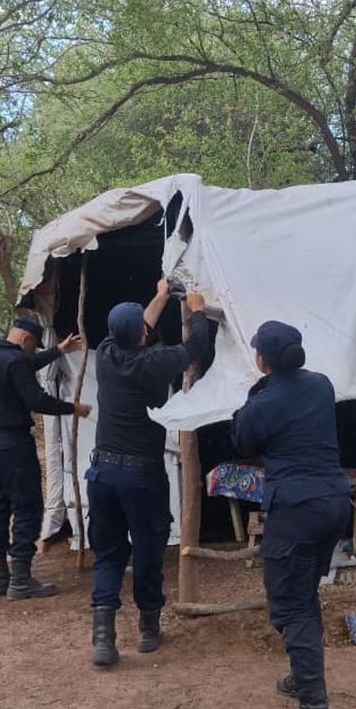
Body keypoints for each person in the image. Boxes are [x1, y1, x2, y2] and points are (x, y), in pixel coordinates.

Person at [87, 278, 220, 667]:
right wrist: (195, 310)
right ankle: (147, 629)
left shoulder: (106, 355)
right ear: (144, 335)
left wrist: (161, 295)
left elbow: (137, 326)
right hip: (142, 477)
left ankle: (103, 638)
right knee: (147, 549)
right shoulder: (154, 363)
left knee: (109, 554)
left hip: (103, 473)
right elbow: (196, 347)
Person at [231, 321, 351, 709]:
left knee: (290, 605)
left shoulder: (262, 404)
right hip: (334, 504)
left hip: (296, 509)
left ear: (262, 360)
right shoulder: (321, 385)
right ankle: (304, 681)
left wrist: (254, 392)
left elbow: (242, 440)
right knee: (305, 593)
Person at [0, 317, 90, 599]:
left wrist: (58, 351)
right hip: (12, 443)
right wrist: (72, 408)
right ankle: (21, 581)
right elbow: (36, 400)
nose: (32, 352)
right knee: (27, 507)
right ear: (26, 339)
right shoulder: (15, 362)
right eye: (32, 347)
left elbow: (23, 368)